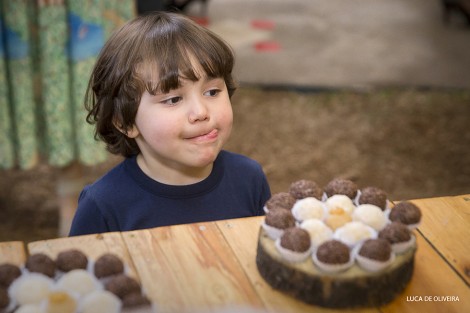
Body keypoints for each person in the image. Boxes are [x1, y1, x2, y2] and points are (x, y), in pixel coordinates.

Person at [69, 12, 271, 236]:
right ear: (125, 121)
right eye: (173, 99)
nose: (201, 112)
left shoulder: (249, 180)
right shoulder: (103, 206)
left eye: (212, 92)